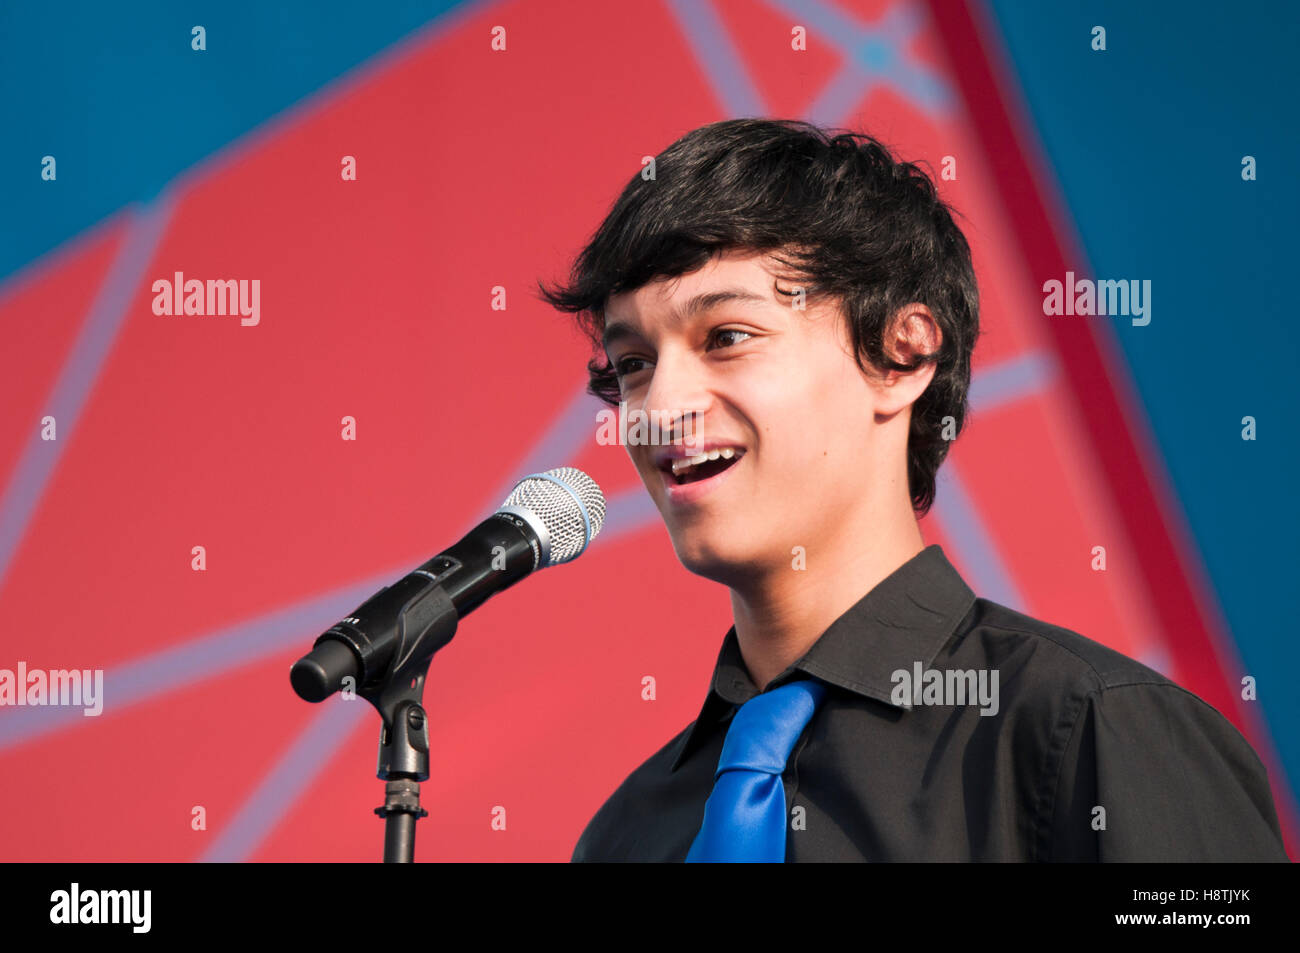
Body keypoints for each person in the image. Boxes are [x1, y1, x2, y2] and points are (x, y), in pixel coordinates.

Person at [537, 118, 1290, 862]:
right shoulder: (627, 835)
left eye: (726, 337)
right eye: (632, 362)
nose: (660, 406)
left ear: (902, 354)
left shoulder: (1095, 732)